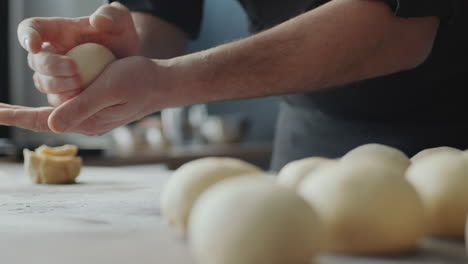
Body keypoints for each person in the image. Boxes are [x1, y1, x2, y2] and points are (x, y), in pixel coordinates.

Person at [1, 0, 467, 170]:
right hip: (307, 144)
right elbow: (159, 14)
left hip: (447, 146)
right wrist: (117, 50)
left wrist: (167, 82)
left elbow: (397, 29)